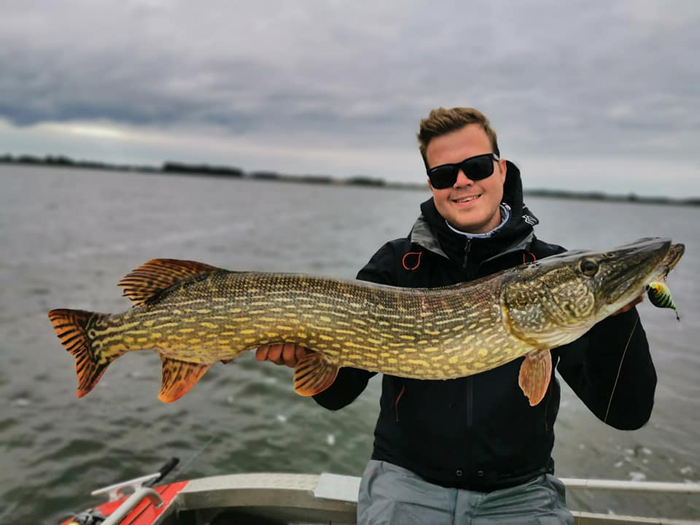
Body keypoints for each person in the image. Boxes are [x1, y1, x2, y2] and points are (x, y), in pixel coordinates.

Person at [256, 107, 655, 524]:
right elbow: (337, 394)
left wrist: (617, 316)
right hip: (404, 486)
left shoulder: (548, 268)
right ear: (432, 184)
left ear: (501, 170)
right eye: (445, 174)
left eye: (476, 166)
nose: (462, 181)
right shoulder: (396, 265)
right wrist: (307, 355)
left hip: (520, 496)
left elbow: (626, 413)